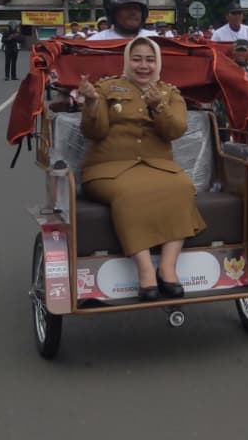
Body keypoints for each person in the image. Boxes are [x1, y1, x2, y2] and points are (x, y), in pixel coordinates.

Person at [77, 37, 205, 301]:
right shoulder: (106, 87)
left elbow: (175, 131)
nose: (143, 65)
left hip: (158, 166)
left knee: (182, 187)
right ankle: (146, 271)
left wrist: (158, 105)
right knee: (129, 193)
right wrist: (90, 102)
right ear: (127, 61)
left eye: (150, 59)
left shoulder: (170, 93)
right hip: (108, 169)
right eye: (137, 59)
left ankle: (168, 269)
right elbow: (94, 131)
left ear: (158, 63)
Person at [89, 0, 156, 40]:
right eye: (127, 8)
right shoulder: (96, 42)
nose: (133, 13)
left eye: (136, 8)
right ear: (112, 12)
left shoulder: (155, 39)